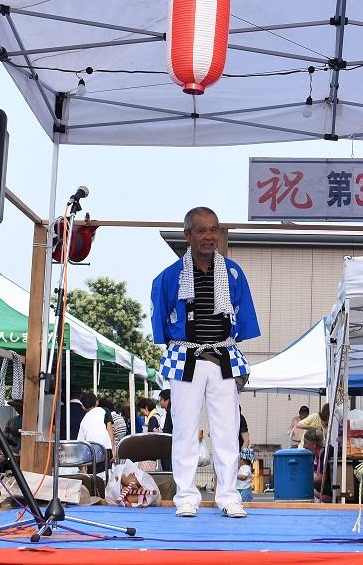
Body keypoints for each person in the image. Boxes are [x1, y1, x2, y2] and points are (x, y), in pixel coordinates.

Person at [151, 206, 261, 519]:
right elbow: (161, 318)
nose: (209, 236)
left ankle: (228, 495)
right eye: (201, 230)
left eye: (213, 229)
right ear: (188, 235)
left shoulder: (234, 272)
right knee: (185, 428)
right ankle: (186, 496)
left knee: (227, 430)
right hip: (184, 356)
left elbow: (242, 318)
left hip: (223, 356)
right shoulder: (170, 277)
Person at [77, 392, 115, 466]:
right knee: (106, 473)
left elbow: (81, 441)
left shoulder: (84, 419)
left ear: (83, 407)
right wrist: (113, 449)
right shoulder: (105, 411)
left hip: (90, 451)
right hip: (105, 448)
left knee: (93, 474)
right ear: (97, 402)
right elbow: (109, 429)